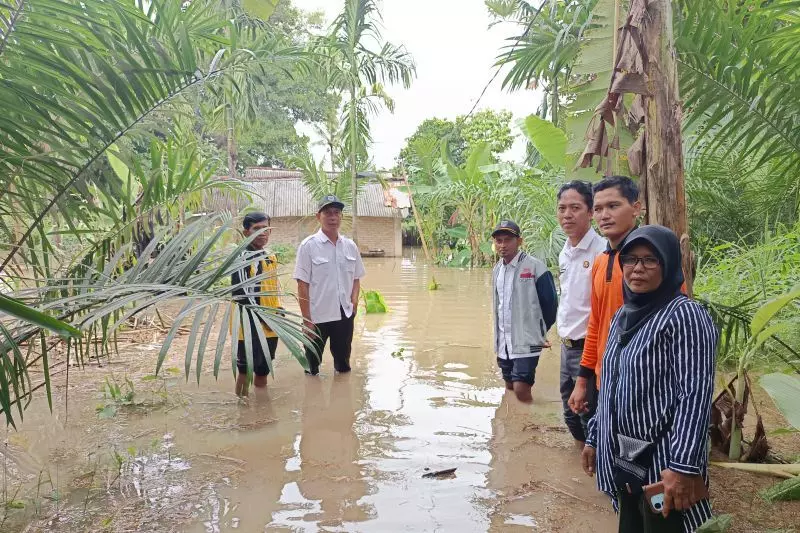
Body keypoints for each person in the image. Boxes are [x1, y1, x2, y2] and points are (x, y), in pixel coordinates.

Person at [581, 225, 717, 532]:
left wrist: (682, 467)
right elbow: (612, 387)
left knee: (662, 526)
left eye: (650, 260)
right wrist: (594, 436)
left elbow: (694, 395)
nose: (638, 268)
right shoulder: (622, 317)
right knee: (632, 524)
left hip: (663, 462)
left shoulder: (685, 316)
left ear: (667, 263)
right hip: (626, 457)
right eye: (630, 259)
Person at [568, 176, 641, 416]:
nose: (604, 215)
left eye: (613, 206)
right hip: (604, 380)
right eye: (598, 209)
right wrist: (582, 380)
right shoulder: (601, 262)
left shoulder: (651, 263)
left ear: (636, 208)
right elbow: (596, 324)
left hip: (639, 385)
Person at [556, 181, 607, 450]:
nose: (567, 214)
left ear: (590, 212)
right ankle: (583, 462)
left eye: (575, 208)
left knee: (588, 413)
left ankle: (596, 471)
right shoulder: (565, 251)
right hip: (566, 347)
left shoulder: (601, 252)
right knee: (570, 412)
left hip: (589, 348)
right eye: (562, 208)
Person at [294, 195, 366, 375]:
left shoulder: (350, 246)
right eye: (327, 213)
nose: (332, 217)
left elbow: (356, 278)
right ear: (318, 216)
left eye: (336, 212)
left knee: (343, 366)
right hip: (317, 316)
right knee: (311, 368)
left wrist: (354, 303)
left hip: (344, 314)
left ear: (341, 216)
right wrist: (306, 320)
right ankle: (312, 399)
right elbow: (302, 285)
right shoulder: (308, 246)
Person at [491, 220, 558, 403]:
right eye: (498, 241)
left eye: (507, 240)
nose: (502, 245)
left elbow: (551, 304)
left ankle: (531, 419)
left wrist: (540, 332)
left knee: (521, 388)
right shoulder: (497, 270)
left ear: (519, 241)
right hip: (503, 341)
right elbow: (499, 306)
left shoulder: (536, 267)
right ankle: (514, 422)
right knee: (510, 386)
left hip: (527, 339)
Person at [231, 211, 282, 397]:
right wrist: (263, 317)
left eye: (266, 229)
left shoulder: (270, 256)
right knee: (245, 369)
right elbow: (240, 295)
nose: (262, 233)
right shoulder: (241, 259)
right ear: (246, 232)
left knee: (263, 369)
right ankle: (243, 411)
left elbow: (274, 288)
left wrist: (278, 311)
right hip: (248, 324)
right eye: (256, 229)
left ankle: (262, 408)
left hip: (270, 322)